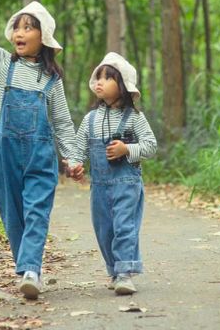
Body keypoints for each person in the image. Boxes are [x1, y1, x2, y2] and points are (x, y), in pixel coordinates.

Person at [0, 0, 82, 299]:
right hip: (6, 153)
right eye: (17, 27)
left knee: (36, 210)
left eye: (28, 27)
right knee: (10, 209)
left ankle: (31, 269)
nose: (19, 32)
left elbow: (62, 121)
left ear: (44, 37)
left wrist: (72, 157)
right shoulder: (3, 64)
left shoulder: (52, 80)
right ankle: (25, 264)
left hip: (40, 155)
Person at [67, 52, 157, 295]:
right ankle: (115, 270)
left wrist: (127, 148)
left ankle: (125, 272)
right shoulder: (90, 119)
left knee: (124, 226)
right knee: (104, 228)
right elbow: (78, 147)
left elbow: (150, 145)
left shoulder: (135, 118)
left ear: (124, 86)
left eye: (107, 78)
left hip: (126, 183)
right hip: (100, 185)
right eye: (98, 77)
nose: (99, 82)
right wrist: (75, 164)